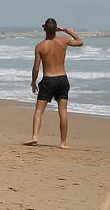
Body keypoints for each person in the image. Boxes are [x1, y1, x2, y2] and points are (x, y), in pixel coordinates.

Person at [25, 18, 83, 148]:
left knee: (39, 111)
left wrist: (33, 82)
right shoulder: (63, 41)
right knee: (63, 111)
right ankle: (63, 143)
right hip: (62, 79)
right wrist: (70, 32)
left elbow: (36, 67)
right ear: (56, 29)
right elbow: (80, 42)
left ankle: (34, 137)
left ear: (44, 29)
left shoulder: (40, 46)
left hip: (48, 80)